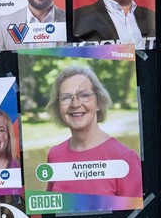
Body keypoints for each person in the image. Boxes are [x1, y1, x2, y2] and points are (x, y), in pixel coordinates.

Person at [45, 64, 142, 198]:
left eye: (84, 95)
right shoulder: (55, 154)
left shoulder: (124, 158)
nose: (75, 104)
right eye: (66, 97)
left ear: (99, 102)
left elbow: (134, 217)